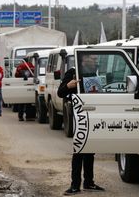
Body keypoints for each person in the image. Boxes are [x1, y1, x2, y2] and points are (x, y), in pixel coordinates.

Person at [58, 54, 105, 196]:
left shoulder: (94, 72)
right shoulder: (73, 72)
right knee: (79, 151)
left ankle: (89, 182)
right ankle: (74, 185)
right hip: (80, 115)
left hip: (93, 114)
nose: (96, 61)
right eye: (93, 59)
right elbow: (60, 92)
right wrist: (69, 85)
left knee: (90, 150)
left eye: (97, 59)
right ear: (84, 60)